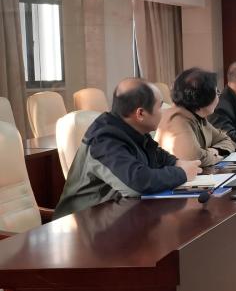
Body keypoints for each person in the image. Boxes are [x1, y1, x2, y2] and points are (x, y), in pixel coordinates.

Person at [54, 79, 200, 217]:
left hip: (115, 214)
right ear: (140, 113)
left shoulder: (130, 128)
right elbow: (137, 183)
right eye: (159, 106)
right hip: (82, 223)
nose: (163, 111)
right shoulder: (103, 141)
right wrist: (181, 173)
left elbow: (156, 154)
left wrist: (176, 162)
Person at [156, 68, 236, 167]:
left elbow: (228, 140)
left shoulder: (197, 117)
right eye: (216, 92)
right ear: (205, 96)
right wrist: (215, 155)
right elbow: (194, 159)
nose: (218, 97)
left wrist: (215, 150)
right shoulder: (177, 119)